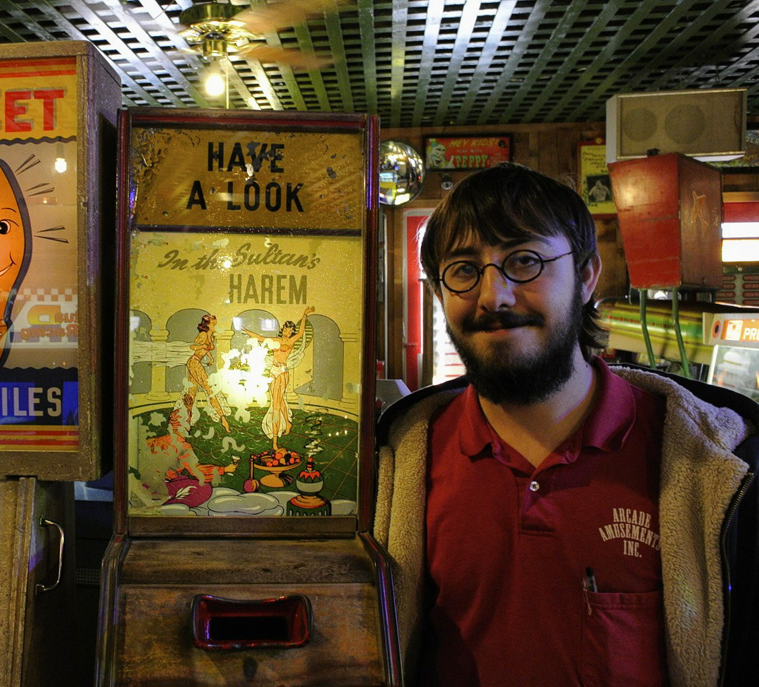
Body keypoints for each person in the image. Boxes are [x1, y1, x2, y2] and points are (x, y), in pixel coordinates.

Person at [374, 163, 758, 686]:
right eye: (464, 269)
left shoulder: (707, 465)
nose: (494, 297)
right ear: (439, 293)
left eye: (525, 261)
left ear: (584, 275)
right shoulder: (398, 463)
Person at [243, 306, 315, 451]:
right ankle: (288, 423)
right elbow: (261, 338)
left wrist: (305, 315)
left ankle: (275, 441)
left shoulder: (292, 341)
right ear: (283, 329)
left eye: (290, 330)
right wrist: (248, 332)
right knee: (278, 400)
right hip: (272, 372)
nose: (288, 332)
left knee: (276, 405)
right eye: (286, 330)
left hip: (282, 373)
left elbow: (301, 332)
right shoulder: (275, 340)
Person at [182, 314, 230, 432]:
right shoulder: (203, 335)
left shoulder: (210, 336)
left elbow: (206, 348)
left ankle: (187, 421)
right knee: (209, 389)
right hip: (193, 362)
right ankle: (223, 419)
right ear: (207, 324)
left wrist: (210, 358)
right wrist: (202, 346)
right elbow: (192, 346)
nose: (215, 326)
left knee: (192, 392)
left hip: (196, 362)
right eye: (213, 324)